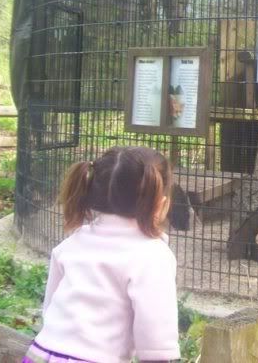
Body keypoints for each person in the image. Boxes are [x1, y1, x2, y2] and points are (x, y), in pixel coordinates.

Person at [22, 146, 180, 363]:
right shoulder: (153, 256)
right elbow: (155, 340)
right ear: (160, 204)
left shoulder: (74, 242)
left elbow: (50, 309)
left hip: (41, 354)